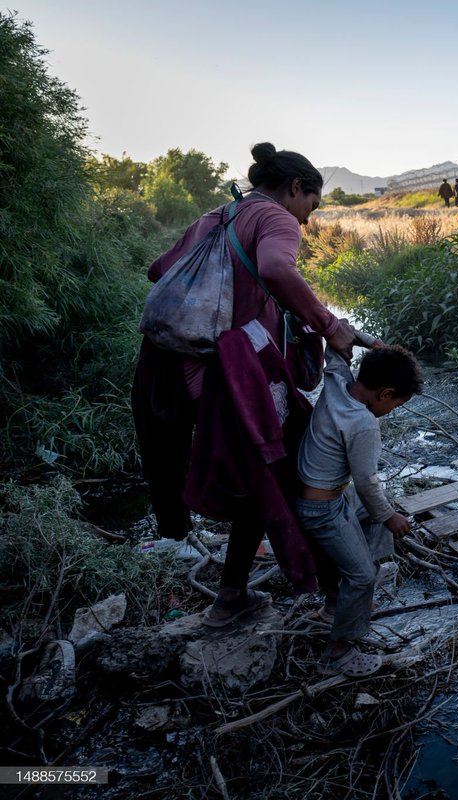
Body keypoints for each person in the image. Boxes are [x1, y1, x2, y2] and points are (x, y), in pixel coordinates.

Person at [132, 142, 357, 627]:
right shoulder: (273, 217)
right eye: (310, 208)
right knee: (296, 465)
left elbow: (159, 270)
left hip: (164, 370)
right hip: (223, 376)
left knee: (262, 474)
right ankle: (340, 597)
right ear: (296, 188)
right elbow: (277, 268)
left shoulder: (216, 215)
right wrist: (328, 325)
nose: (305, 223)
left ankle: (230, 596)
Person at [294, 339, 423, 677]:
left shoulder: (337, 380)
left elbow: (336, 342)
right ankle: (339, 651)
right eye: (395, 404)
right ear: (385, 393)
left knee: (378, 512)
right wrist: (391, 517)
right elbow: (366, 484)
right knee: (362, 574)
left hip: (326, 494)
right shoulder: (364, 424)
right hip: (321, 509)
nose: (391, 411)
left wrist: (375, 347)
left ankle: (347, 596)